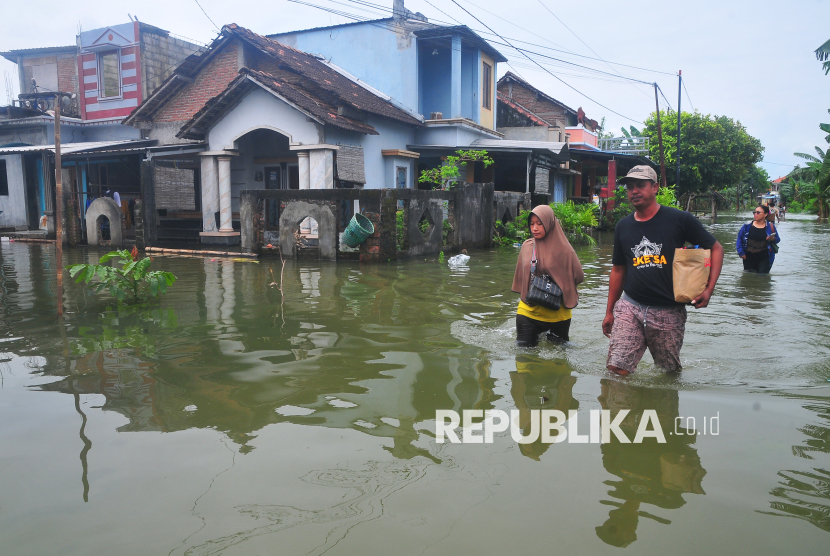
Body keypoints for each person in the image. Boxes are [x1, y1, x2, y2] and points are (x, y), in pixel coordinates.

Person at [602, 165, 724, 376]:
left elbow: (716, 248)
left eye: (640, 185)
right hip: (630, 306)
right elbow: (618, 270)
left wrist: (708, 290)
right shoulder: (623, 226)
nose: (634, 191)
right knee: (616, 369)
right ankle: (622, 408)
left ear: (655, 187)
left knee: (668, 374)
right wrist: (609, 311)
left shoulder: (679, 219)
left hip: (669, 311)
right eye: (630, 187)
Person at [512, 205, 584, 346]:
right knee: (524, 359)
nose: (535, 228)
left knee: (558, 361)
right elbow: (521, 275)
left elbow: (579, 276)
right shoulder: (527, 246)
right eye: (532, 224)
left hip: (559, 316)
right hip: (528, 311)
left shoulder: (565, 251)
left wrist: (560, 279)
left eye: (540, 224)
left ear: (549, 223)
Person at [736, 205, 780, 273]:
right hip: (749, 256)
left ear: (765, 214)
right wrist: (741, 252)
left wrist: (772, 239)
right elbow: (739, 239)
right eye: (754, 212)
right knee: (749, 276)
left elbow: (778, 239)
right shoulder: (747, 226)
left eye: (758, 212)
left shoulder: (770, 226)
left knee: (762, 276)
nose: (755, 214)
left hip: (765, 257)